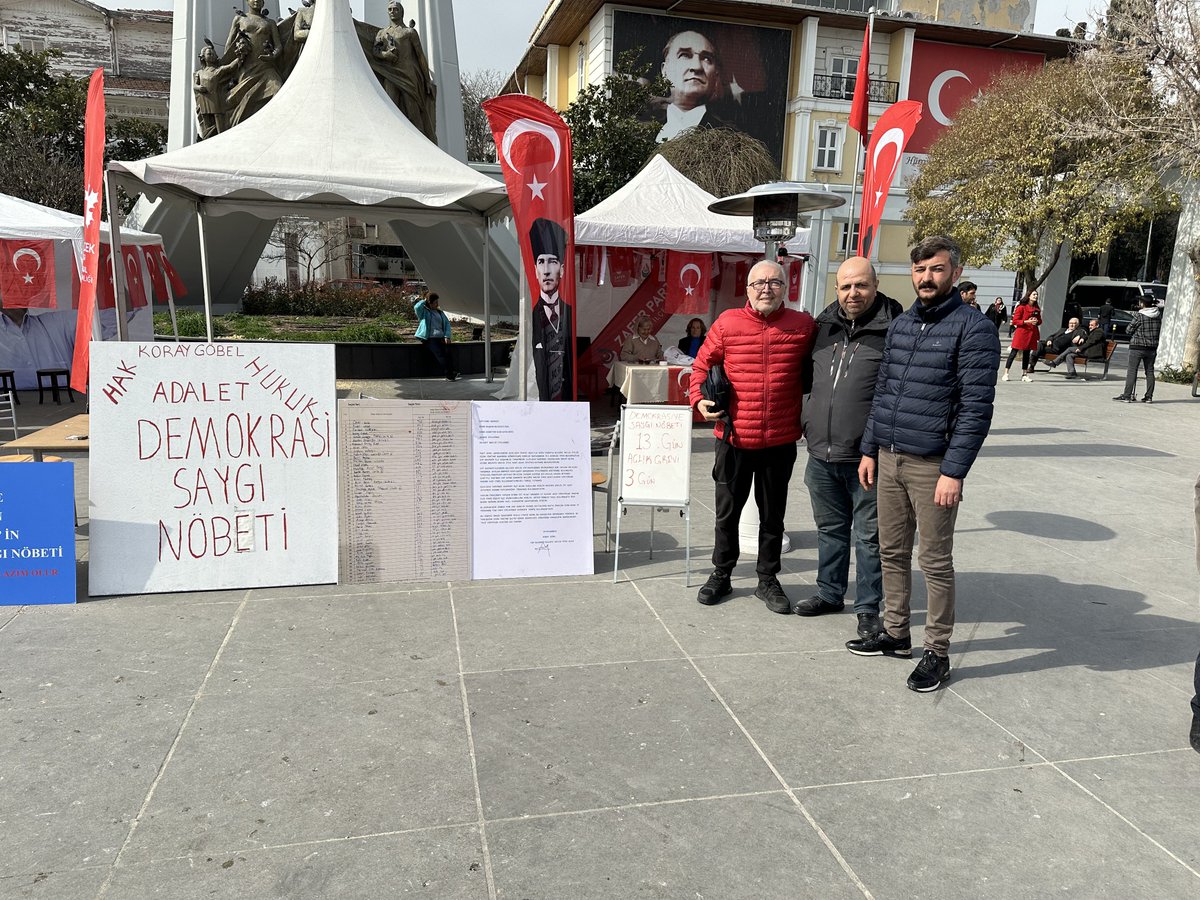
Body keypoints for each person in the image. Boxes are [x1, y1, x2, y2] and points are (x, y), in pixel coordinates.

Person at [847, 235, 1000, 692]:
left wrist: (954, 471)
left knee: (934, 560)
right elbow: (884, 393)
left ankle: (937, 651)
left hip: (933, 465)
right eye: (919, 270)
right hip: (889, 457)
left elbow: (976, 408)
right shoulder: (902, 324)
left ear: (954, 272)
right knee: (890, 551)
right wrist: (870, 448)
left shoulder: (974, 329)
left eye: (935, 269)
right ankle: (896, 634)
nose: (926, 278)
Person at [689, 260, 817, 613]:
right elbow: (701, 364)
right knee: (726, 513)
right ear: (747, 289)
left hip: (779, 440)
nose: (766, 288)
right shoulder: (728, 322)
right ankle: (722, 573)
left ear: (785, 288)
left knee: (773, 515)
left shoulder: (803, 326)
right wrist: (698, 400)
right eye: (758, 282)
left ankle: (767, 579)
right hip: (733, 438)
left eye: (774, 282)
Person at [795, 256, 902, 638]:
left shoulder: (895, 330)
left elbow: (894, 397)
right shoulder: (822, 328)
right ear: (836, 289)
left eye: (861, 285)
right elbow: (808, 381)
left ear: (875, 285)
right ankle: (829, 592)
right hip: (820, 454)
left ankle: (868, 607)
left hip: (866, 458)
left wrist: (873, 448)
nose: (852, 293)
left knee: (869, 537)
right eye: (845, 286)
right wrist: (806, 420)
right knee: (830, 530)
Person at [373, 0, 438, 141]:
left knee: (413, 112)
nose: (392, 11)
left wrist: (427, 80)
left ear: (401, 12)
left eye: (395, 9)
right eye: (389, 9)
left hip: (409, 76)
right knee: (390, 108)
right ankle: (392, 140)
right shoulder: (382, 33)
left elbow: (420, 56)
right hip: (390, 75)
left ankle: (422, 144)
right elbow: (376, 51)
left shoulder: (410, 32)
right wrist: (386, 55)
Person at [653, 30, 731, 141]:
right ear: (665, 71)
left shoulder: (732, 140)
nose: (697, 66)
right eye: (684, 55)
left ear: (716, 75)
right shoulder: (638, 134)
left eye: (707, 59)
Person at [529, 218, 573, 402]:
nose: (546, 270)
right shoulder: (531, 312)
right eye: (541, 262)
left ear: (562, 270)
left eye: (553, 262)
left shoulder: (569, 311)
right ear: (535, 269)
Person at [223, 0, 284, 126]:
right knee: (246, 100)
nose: (256, 0)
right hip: (246, 68)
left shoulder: (270, 22)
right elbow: (229, 45)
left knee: (277, 87)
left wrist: (272, 55)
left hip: (265, 66)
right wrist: (237, 55)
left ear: (263, 3)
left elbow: (278, 46)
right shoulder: (239, 19)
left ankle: (274, 124)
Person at [0, 308, 75, 390]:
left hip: (63, 396)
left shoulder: (58, 320)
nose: (16, 296)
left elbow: (87, 315)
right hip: (9, 398)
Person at [1113, 293, 1162, 403]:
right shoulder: (1158, 315)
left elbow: (1128, 330)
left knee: (1132, 371)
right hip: (1152, 347)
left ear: (1143, 303)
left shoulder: (1139, 315)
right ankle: (1149, 396)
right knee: (1149, 371)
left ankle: (1127, 395)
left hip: (1137, 346)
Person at [193, 41, 242, 139]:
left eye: (213, 54)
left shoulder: (218, 70)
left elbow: (231, 67)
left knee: (218, 117)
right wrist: (199, 87)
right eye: (209, 54)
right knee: (207, 123)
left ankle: (221, 137)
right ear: (203, 57)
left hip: (215, 99)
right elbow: (195, 85)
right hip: (204, 100)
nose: (211, 56)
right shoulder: (199, 73)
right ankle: (208, 138)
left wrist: (240, 56)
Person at [412, 292, 457, 380]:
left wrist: (447, 336)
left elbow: (447, 324)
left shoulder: (440, 312)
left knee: (448, 354)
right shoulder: (423, 312)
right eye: (435, 302)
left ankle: (451, 372)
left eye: (437, 302)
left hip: (441, 338)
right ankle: (450, 375)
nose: (437, 304)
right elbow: (416, 307)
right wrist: (425, 300)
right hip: (430, 338)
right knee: (441, 355)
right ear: (430, 303)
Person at [1002, 290, 1041, 382]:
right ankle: (1006, 373)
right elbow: (1015, 321)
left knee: (1027, 354)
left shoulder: (1036, 308)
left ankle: (1024, 374)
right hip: (1022, 333)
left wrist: (1036, 321)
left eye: (1036, 295)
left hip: (1031, 333)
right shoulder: (1021, 307)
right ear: (1029, 296)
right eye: (1034, 294)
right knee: (1013, 352)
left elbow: (1040, 321)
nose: (1035, 296)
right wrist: (1027, 321)